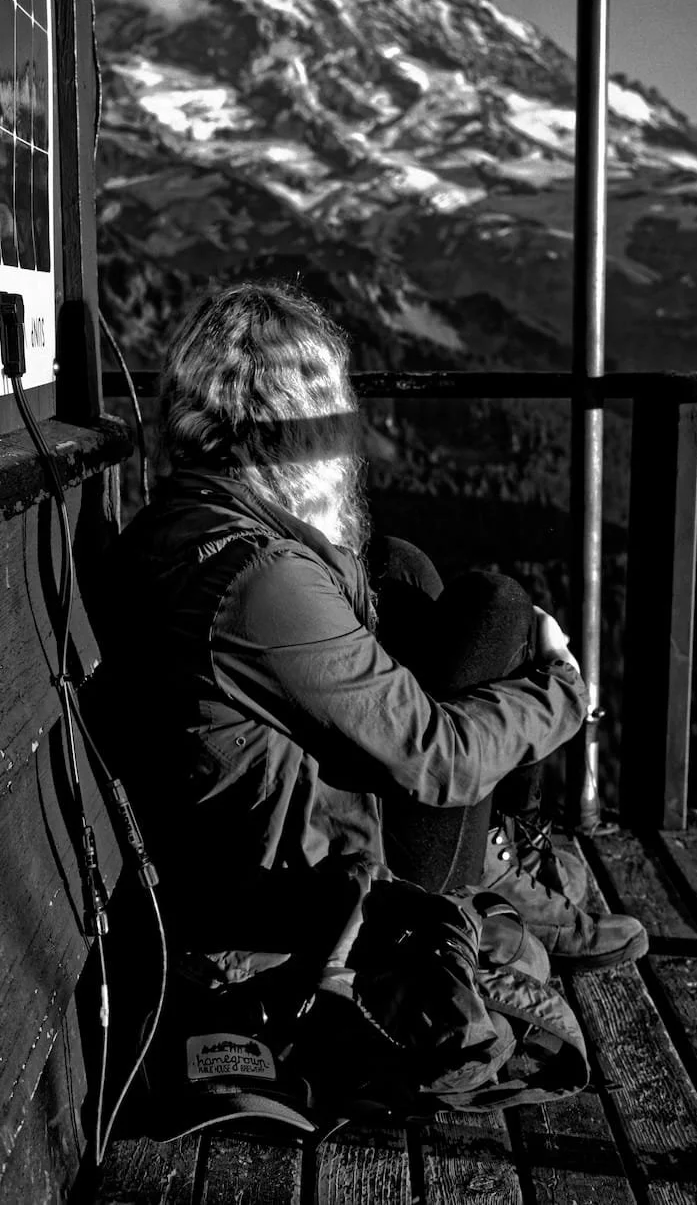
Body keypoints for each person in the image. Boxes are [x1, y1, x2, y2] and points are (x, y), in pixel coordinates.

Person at [100, 281, 647, 987]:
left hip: (251, 848)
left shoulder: (178, 522)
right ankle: (487, 871)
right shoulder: (261, 582)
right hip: (310, 894)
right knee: (497, 608)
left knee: (399, 566)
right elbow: (438, 758)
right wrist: (562, 688)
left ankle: (493, 858)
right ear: (293, 423)